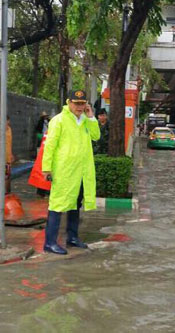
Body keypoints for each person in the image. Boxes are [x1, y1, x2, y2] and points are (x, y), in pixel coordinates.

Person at [41, 89, 100, 254]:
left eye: (82, 103)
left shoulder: (86, 120)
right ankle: (50, 242)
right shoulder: (59, 120)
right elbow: (50, 145)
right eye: (76, 103)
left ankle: (72, 237)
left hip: (82, 171)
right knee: (57, 205)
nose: (79, 107)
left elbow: (96, 136)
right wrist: (46, 168)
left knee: (76, 204)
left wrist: (91, 116)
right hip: (65, 171)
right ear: (69, 103)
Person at [5, 116, 15, 193]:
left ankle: (7, 191)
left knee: (8, 175)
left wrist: (11, 154)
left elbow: (10, 143)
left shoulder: (9, 129)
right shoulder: (0, 130)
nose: (7, 123)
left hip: (8, 156)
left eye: (8, 121)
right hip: (3, 157)